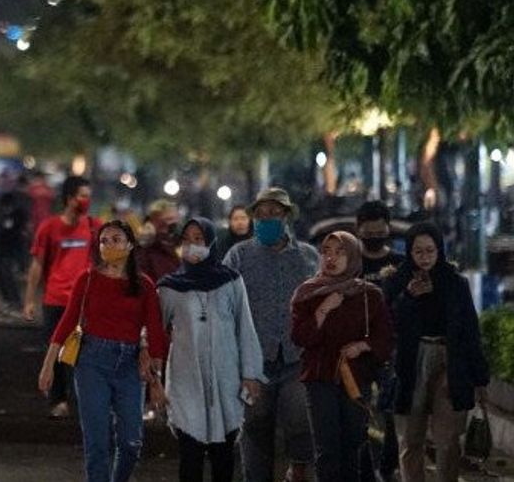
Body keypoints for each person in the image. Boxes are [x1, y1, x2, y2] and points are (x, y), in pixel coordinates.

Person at [38, 220, 167, 482]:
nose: (109, 246)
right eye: (104, 241)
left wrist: (157, 380)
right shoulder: (87, 280)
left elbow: (155, 333)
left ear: (130, 245)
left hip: (129, 364)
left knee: (131, 442)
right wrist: (48, 365)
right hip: (92, 362)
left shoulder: (144, 285)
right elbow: (66, 324)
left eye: (116, 239)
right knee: (97, 442)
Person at [222, 187, 318, 482]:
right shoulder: (239, 256)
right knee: (254, 426)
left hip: (296, 358)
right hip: (254, 361)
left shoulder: (307, 257)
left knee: (301, 423)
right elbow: (224, 303)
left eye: (274, 214)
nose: (266, 220)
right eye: (261, 215)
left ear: (286, 216)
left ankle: (298, 470)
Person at [158, 217, 263, 482]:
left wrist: (250, 374)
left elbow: (245, 328)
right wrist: (152, 376)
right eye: (186, 240)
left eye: (198, 240)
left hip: (225, 378)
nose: (192, 246)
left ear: (211, 242)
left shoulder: (231, 281)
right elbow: (155, 330)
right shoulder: (169, 287)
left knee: (223, 454)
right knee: (189, 453)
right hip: (186, 379)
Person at [384, 222, 489, 482]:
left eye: (430, 251)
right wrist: (408, 297)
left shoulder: (455, 282)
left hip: (449, 360)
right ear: (409, 252)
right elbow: (387, 322)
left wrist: (480, 379)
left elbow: (469, 331)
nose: (425, 257)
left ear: (439, 250)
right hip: (411, 361)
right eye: (418, 251)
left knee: (448, 439)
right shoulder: (398, 280)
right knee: (410, 437)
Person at [290, 231, 393, 482]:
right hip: (319, 377)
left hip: (357, 379)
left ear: (354, 256)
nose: (331, 258)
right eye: (326, 252)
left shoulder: (370, 295)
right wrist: (324, 308)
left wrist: (362, 346)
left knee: (354, 445)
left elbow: (386, 338)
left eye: (340, 252)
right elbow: (300, 337)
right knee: (327, 449)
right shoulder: (308, 292)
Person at [23, 175, 95, 418]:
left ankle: (77, 398)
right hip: (55, 299)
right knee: (55, 350)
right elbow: (37, 265)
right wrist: (30, 299)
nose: (86, 201)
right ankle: (58, 399)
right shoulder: (49, 228)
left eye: (88, 196)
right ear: (69, 198)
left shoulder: (94, 227)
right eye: (82, 196)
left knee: (79, 351)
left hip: (83, 301)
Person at [355, 199, 403, 481]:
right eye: (369, 233)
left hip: (391, 349)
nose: (374, 237)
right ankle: (364, 472)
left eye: (379, 232)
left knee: (392, 412)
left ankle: (388, 467)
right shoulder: (351, 263)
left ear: (388, 229)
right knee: (358, 413)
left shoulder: (398, 264)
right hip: (356, 349)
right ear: (359, 230)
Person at [0, 182, 30, 316]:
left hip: (13, 250)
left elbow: (18, 234)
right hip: (3, 249)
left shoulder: (18, 215)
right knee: (1, 276)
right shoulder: (3, 215)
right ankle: (9, 302)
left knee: (8, 276)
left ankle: (16, 303)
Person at [139, 199, 181, 282]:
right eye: (167, 219)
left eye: (172, 219)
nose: (169, 224)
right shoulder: (145, 248)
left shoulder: (177, 243)